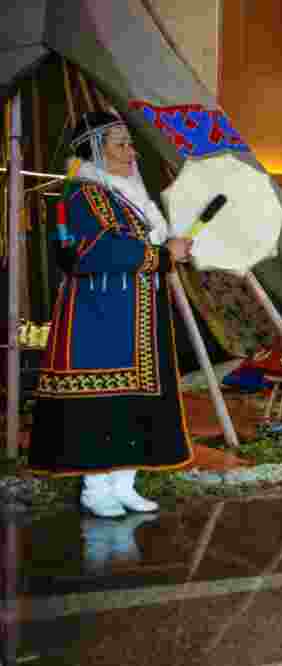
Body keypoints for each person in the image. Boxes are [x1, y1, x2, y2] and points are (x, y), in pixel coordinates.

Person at [28, 111, 195, 518]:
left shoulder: (127, 196)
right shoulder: (82, 194)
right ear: (96, 151)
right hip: (99, 317)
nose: (131, 151)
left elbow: (143, 248)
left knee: (135, 402)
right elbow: (86, 252)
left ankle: (124, 484)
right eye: (120, 143)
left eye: (129, 142)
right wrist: (159, 254)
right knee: (104, 402)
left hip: (137, 314)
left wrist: (170, 250)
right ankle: (95, 489)